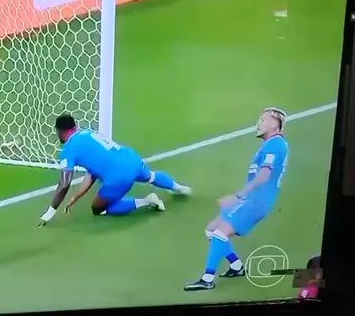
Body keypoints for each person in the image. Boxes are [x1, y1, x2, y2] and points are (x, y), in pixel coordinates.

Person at [184, 107, 289, 291]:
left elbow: (263, 176)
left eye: (262, 120)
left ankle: (207, 279)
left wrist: (238, 195)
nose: (258, 124)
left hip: (255, 202)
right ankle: (236, 266)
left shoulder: (275, 145)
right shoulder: (270, 145)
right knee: (211, 230)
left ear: (275, 124)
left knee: (220, 233)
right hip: (250, 199)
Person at [37, 114, 191, 227]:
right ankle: (179, 188)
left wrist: (50, 212)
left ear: (59, 131)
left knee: (98, 208)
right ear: (74, 127)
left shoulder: (68, 150)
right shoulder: (89, 133)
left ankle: (146, 201)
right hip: (131, 159)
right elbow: (91, 174)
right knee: (151, 176)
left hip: (118, 177)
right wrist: (75, 197)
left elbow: (64, 184)